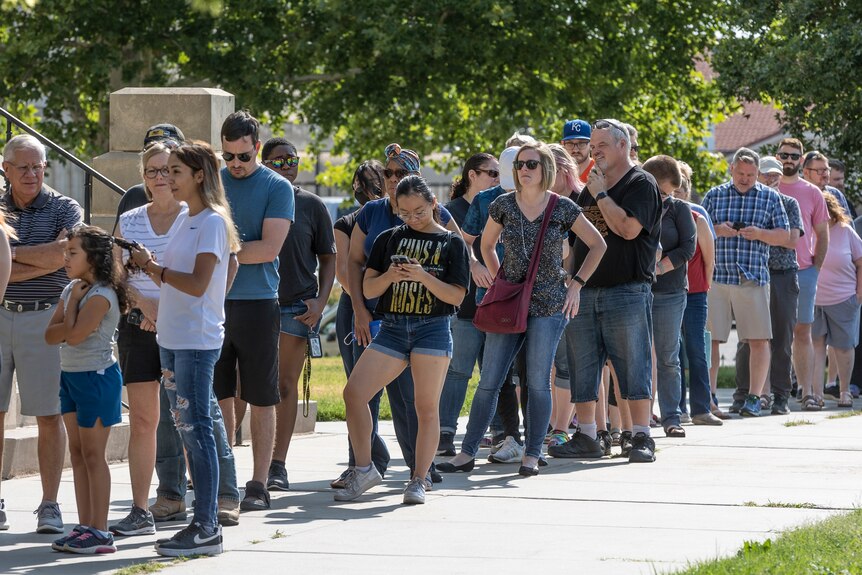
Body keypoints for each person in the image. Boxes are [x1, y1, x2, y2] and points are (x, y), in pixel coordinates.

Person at [442, 141, 606, 476]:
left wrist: (576, 284)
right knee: (489, 379)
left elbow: (598, 244)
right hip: (510, 301)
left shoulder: (561, 207)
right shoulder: (503, 204)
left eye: (530, 164)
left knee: (536, 380)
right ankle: (467, 452)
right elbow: (485, 245)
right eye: (519, 165)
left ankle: (532, 453)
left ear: (545, 169)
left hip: (549, 304)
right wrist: (492, 274)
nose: (524, 170)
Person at [130, 141, 241, 557]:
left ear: (198, 175)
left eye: (175, 171)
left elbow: (196, 284)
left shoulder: (211, 222)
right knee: (187, 429)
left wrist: (151, 266)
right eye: (163, 171)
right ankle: (203, 523)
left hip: (195, 342)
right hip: (173, 341)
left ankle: (207, 525)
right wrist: (149, 270)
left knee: (197, 434)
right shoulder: (185, 220)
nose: (166, 178)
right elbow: (175, 282)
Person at [337, 175, 470, 503]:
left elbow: (456, 297)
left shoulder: (451, 243)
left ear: (433, 205)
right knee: (354, 394)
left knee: (425, 407)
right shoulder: (387, 239)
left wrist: (423, 276)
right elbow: (367, 289)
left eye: (419, 212)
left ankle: (419, 479)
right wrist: (390, 276)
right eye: (405, 213)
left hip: (433, 328)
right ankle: (365, 467)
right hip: (393, 328)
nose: (412, 219)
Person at [551, 119, 661, 463]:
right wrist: (568, 280)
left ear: (623, 146)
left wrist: (600, 194)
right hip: (585, 290)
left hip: (626, 290)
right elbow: (579, 239)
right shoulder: (590, 186)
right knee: (583, 365)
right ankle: (587, 435)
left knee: (631, 365)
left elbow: (627, 230)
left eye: (601, 146)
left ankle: (640, 436)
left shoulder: (641, 183)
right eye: (592, 146)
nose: (594, 152)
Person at [0, 134, 83, 533]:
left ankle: (49, 504)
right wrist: (45, 258)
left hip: (46, 319)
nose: (32, 174)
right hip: (0, 315)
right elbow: (52, 257)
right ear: (6, 169)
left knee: (50, 415)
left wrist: (9, 254)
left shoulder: (65, 207)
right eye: (23, 167)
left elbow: (68, 257)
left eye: (38, 166)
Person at [214, 111, 294, 511]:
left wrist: (217, 252)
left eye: (243, 157)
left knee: (262, 396)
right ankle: (223, 480)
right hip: (213, 302)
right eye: (228, 157)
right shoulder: (212, 181)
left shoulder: (277, 187)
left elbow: (268, 249)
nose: (235, 165)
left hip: (259, 302)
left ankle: (259, 483)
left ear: (256, 147)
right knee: (220, 394)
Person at [109, 142, 187, 535]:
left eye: (169, 170)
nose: (161, 177)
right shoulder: (131, 218)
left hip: (184, 328)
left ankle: (205, 502)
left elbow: (201, 275)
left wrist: (167, 310)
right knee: (144, 420)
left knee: (189, 418)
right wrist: (143, 306)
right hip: (138, 326)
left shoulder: (196, 217)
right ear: (143, 176)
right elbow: (117, 273)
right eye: (153, 170)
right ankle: (141, 510)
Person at [45, 225, 128, 554]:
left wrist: (74, 306)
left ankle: (101, 531)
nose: (65, 259)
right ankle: (84, 527)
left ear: (93, 258)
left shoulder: (100, 296)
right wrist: (71, 306)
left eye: (73, 253)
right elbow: (50, 336)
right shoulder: (71, 290)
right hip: (71, 377)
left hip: (96, 378)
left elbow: (75, 336)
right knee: (77, 454)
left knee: (94, 456)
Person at [260, 137, 336, 491]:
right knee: (246, 387)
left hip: (296, 307)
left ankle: (278, 465)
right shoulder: (254, 198)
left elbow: (328, 256)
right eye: (278, 161)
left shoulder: (312, 205)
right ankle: (232, 464)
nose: (287, 164)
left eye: (292, 158)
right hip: (253, 303)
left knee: (284, 386)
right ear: (264, 164)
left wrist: (321, 302)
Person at [703, 147, 790, 417]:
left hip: (752, 277)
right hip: (716, 277)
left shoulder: (771, 198)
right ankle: (710, 397)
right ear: (731, 170)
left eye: (751, 175)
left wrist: (761, 234)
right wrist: (718, 230)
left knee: (759, 340)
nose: (745, 178)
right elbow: (698, 232)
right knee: (711, 340)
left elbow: (785, 236)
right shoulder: (714, 195)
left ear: (758, 174)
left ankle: (754, 397)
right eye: (741, 173)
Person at [330, 161, 389, 488]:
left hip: (390, 311)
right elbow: (343, 270)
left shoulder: (400, 216)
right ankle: (360, 462)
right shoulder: (347, 222)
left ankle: (372, 460)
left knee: (379, 392)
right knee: (359, 390)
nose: (364, 190)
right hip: (355, 311)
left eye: (369, 183)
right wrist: (361, 308)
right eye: (361, 184)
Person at [437, 152, 499, 456]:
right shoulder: (450, 212)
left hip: (498, 306)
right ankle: (445, 432)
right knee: (458, 371)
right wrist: (471, 264)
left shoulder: (501, 204)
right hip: (464, 308)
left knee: (496, 374)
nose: (498, 179)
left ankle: (501, 431)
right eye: (492, 173)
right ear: (472, 175)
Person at [734, 156, 803, 416]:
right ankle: (744, 395)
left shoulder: (788, 203)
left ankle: (780, 396)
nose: (772, 178)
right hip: (751, 274)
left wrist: (761, 233)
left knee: (783, 338)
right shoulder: (745, 202)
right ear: (757, 175)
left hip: (782, 274)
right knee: (747, 339)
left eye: (776, 175)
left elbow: (791, 240)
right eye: (766, 174)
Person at [642, 155, 696, 437]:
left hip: (670, 292)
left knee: (667, 356)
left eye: (671, 193)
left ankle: (671, 416)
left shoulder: (679, 210)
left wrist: (660, 268)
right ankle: (636, 419)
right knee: (635, 357)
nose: (666, 198)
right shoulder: (636, 205)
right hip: (638, 291)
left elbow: (688, 247)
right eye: (662, 192)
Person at [776, 138, 829, 413]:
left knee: (803, 331)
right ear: (777, 156)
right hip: (770, 270)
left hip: (804, 271)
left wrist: (816, 267)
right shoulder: (767, 188)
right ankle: (765, 393)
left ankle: (806, 392)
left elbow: (822, 234)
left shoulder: (812, 192)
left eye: (794, 156)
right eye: (784, 155)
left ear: (801, 160)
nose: (788, 160)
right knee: (768, 334)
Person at [673, 163, 720, 425]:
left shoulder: (697, 218)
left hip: (695, 293)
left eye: (681, 189)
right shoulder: (660, 214)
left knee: (696, 349)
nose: (676, 194)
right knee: (673, 352)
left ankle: (701, 408)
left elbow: (709, 260)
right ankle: (677, 409)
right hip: (668, 293)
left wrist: (704, 287)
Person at [811, 193, 862, 408]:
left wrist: (859, 293)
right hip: (813, 300)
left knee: (843, 347)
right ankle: (816, 393)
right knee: (816, 346)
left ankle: (844, 391)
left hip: (844, 298)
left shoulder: (845, 231)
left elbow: (861, 263)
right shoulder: (809, 232)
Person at [111, 124, 185, 233]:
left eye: (167, 148)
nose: (159, 176)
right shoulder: (134, 197)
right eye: (150, 150)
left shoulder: (196, 205)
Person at [560, 119, 594, 184]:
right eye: (570, 143)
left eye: (581, 143)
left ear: (591, 144)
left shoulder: (601, 172)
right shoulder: (558, 174)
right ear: (563, 144)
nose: (575, 150)